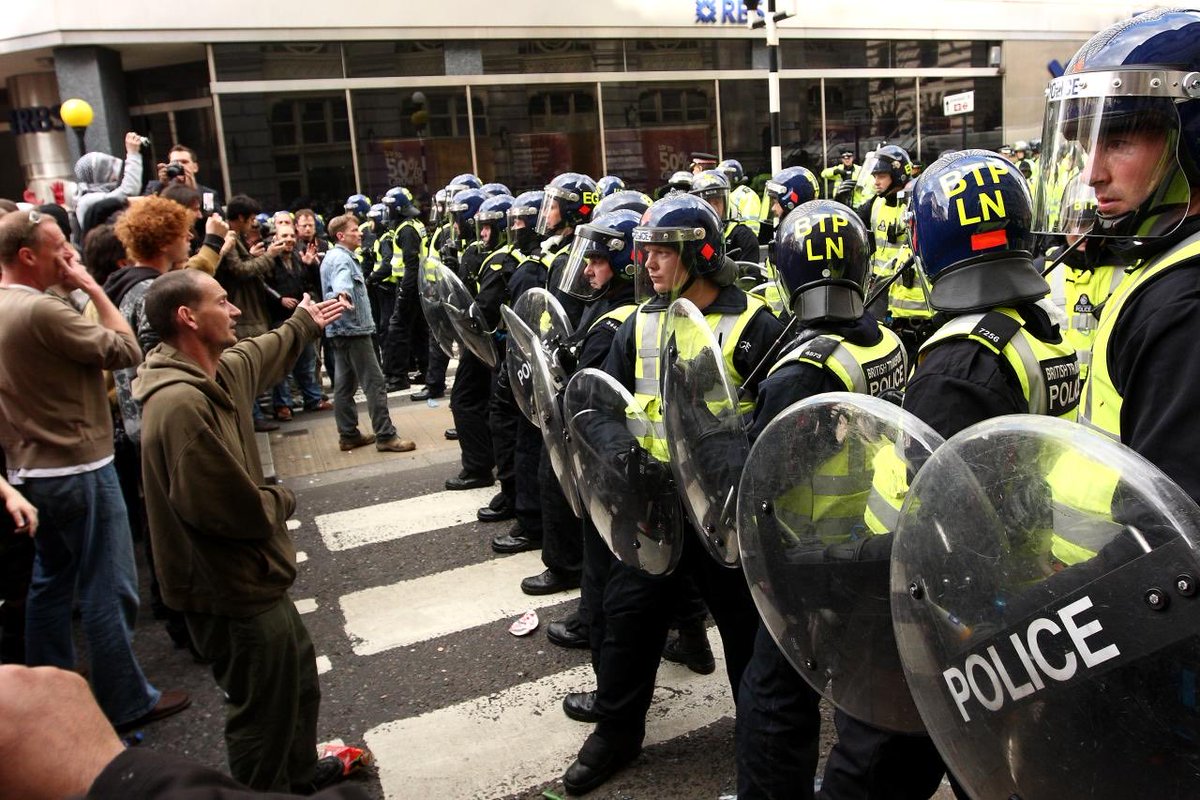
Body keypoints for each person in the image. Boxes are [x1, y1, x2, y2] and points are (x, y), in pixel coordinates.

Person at [818, 148, 1078, 799]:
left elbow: (934, 502)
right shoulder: (1036, 329)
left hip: (935, 601)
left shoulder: (961, 360)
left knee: (871, 763)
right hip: (1016, 579)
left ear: (926, 241)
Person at [560, 193, 781, 794]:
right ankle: (615, 733)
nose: (648, 263)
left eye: (662, 251)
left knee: (746, 634)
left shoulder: (755, 326)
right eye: (645, 251)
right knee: (627, 623)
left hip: (721, 514)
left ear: (700, 255)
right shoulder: (640, 322)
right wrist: (622, 456)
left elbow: (775, 423)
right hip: (652, 507)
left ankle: (759, 746)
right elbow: (598, 401)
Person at [134, 270, 352, 792]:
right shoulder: (180, 404)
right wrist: (282, 498)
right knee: (263, 716)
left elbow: (257, 355)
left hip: (251, 579)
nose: (235, 311)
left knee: (296, 683)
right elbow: (232, 511)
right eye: (222, 302)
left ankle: (298, 775)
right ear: (188, 317)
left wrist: (302, 324)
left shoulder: (211, 373)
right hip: (228, 588)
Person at [735, 200, 907, 800]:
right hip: (862, 546)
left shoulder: (804, 372)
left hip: (805, 557)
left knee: (773, 697)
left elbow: (757, 474)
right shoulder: (883, 338)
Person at [0, 209, 190, 731]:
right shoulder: (43, 310)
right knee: (108, 585)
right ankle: (126, 700)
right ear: (27, 255)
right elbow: (125, 348)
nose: (70, 255)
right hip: (79, 463)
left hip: (30, 469)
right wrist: (89, 287)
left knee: (51, 581)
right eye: (59, 247)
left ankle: (50, 694)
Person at [1039, 9, 1200, 508]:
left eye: (1118, 141)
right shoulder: (1162, 257)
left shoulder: (1184, 304)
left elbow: (1170, 527)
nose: (1091, 174)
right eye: (1088, 145)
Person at [0, 665, 370, 800]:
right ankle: (270, 787)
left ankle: (292, 778)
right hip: (243, 586)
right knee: (263, 701)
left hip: (249, 580)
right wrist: (114, 776)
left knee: (287, 687)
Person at [320, 214, 416, 453]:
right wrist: (343, 295)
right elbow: (342, 282)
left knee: (344, 386)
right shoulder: (342, 259)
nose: (360, 233)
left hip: (340, 330)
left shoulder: (331, 256)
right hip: (354, 330)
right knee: (374, 383)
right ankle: (386, 435)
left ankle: (348, 435)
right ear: (341, 235)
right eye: (354, 230)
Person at [218, 194, 289, 432]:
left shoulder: (236, 239)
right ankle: (253, 415)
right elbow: (240, 270)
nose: (253, 224)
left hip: (251, 308)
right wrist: (269, 256)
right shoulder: (228, 238)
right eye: (250, 219)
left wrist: (255, 256)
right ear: (240, 218)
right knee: (247, 365)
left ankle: (256, 414)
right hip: (244, 311)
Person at [266, 221, 331, 418]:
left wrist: (311, 266)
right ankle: (282, 405)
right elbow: (262, 286)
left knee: (307, 362)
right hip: (279, 318)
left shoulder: (299, 257)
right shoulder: (269, 260)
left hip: (301, 315)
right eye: (284, 236)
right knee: (282, 365)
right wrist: (279, 299)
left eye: (291, 236)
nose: (289, 240)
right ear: (275, 238)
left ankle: (313, 399)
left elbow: (311, 284)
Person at [74, 131, 145, 236]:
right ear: (97, 176)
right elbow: (128, 192)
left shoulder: (93, 194)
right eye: (107, 170)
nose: (115, 175)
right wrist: (133, 154)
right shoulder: (87, 200)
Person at [692, 169, 760, 263]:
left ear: (725, 203)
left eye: (717, 202)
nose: (713, 208)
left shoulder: (744, 237)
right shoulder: (690, 237)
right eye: (707, 203)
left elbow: (749, 272)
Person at [144, 143, 224, 214]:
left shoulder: (207, 194)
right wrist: (163, 186)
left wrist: (195, 191)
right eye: (175, 163)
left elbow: (215, 217)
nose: (181, 166)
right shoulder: (154, 187)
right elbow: (144, 210)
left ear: (195, 167)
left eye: (184, 162)